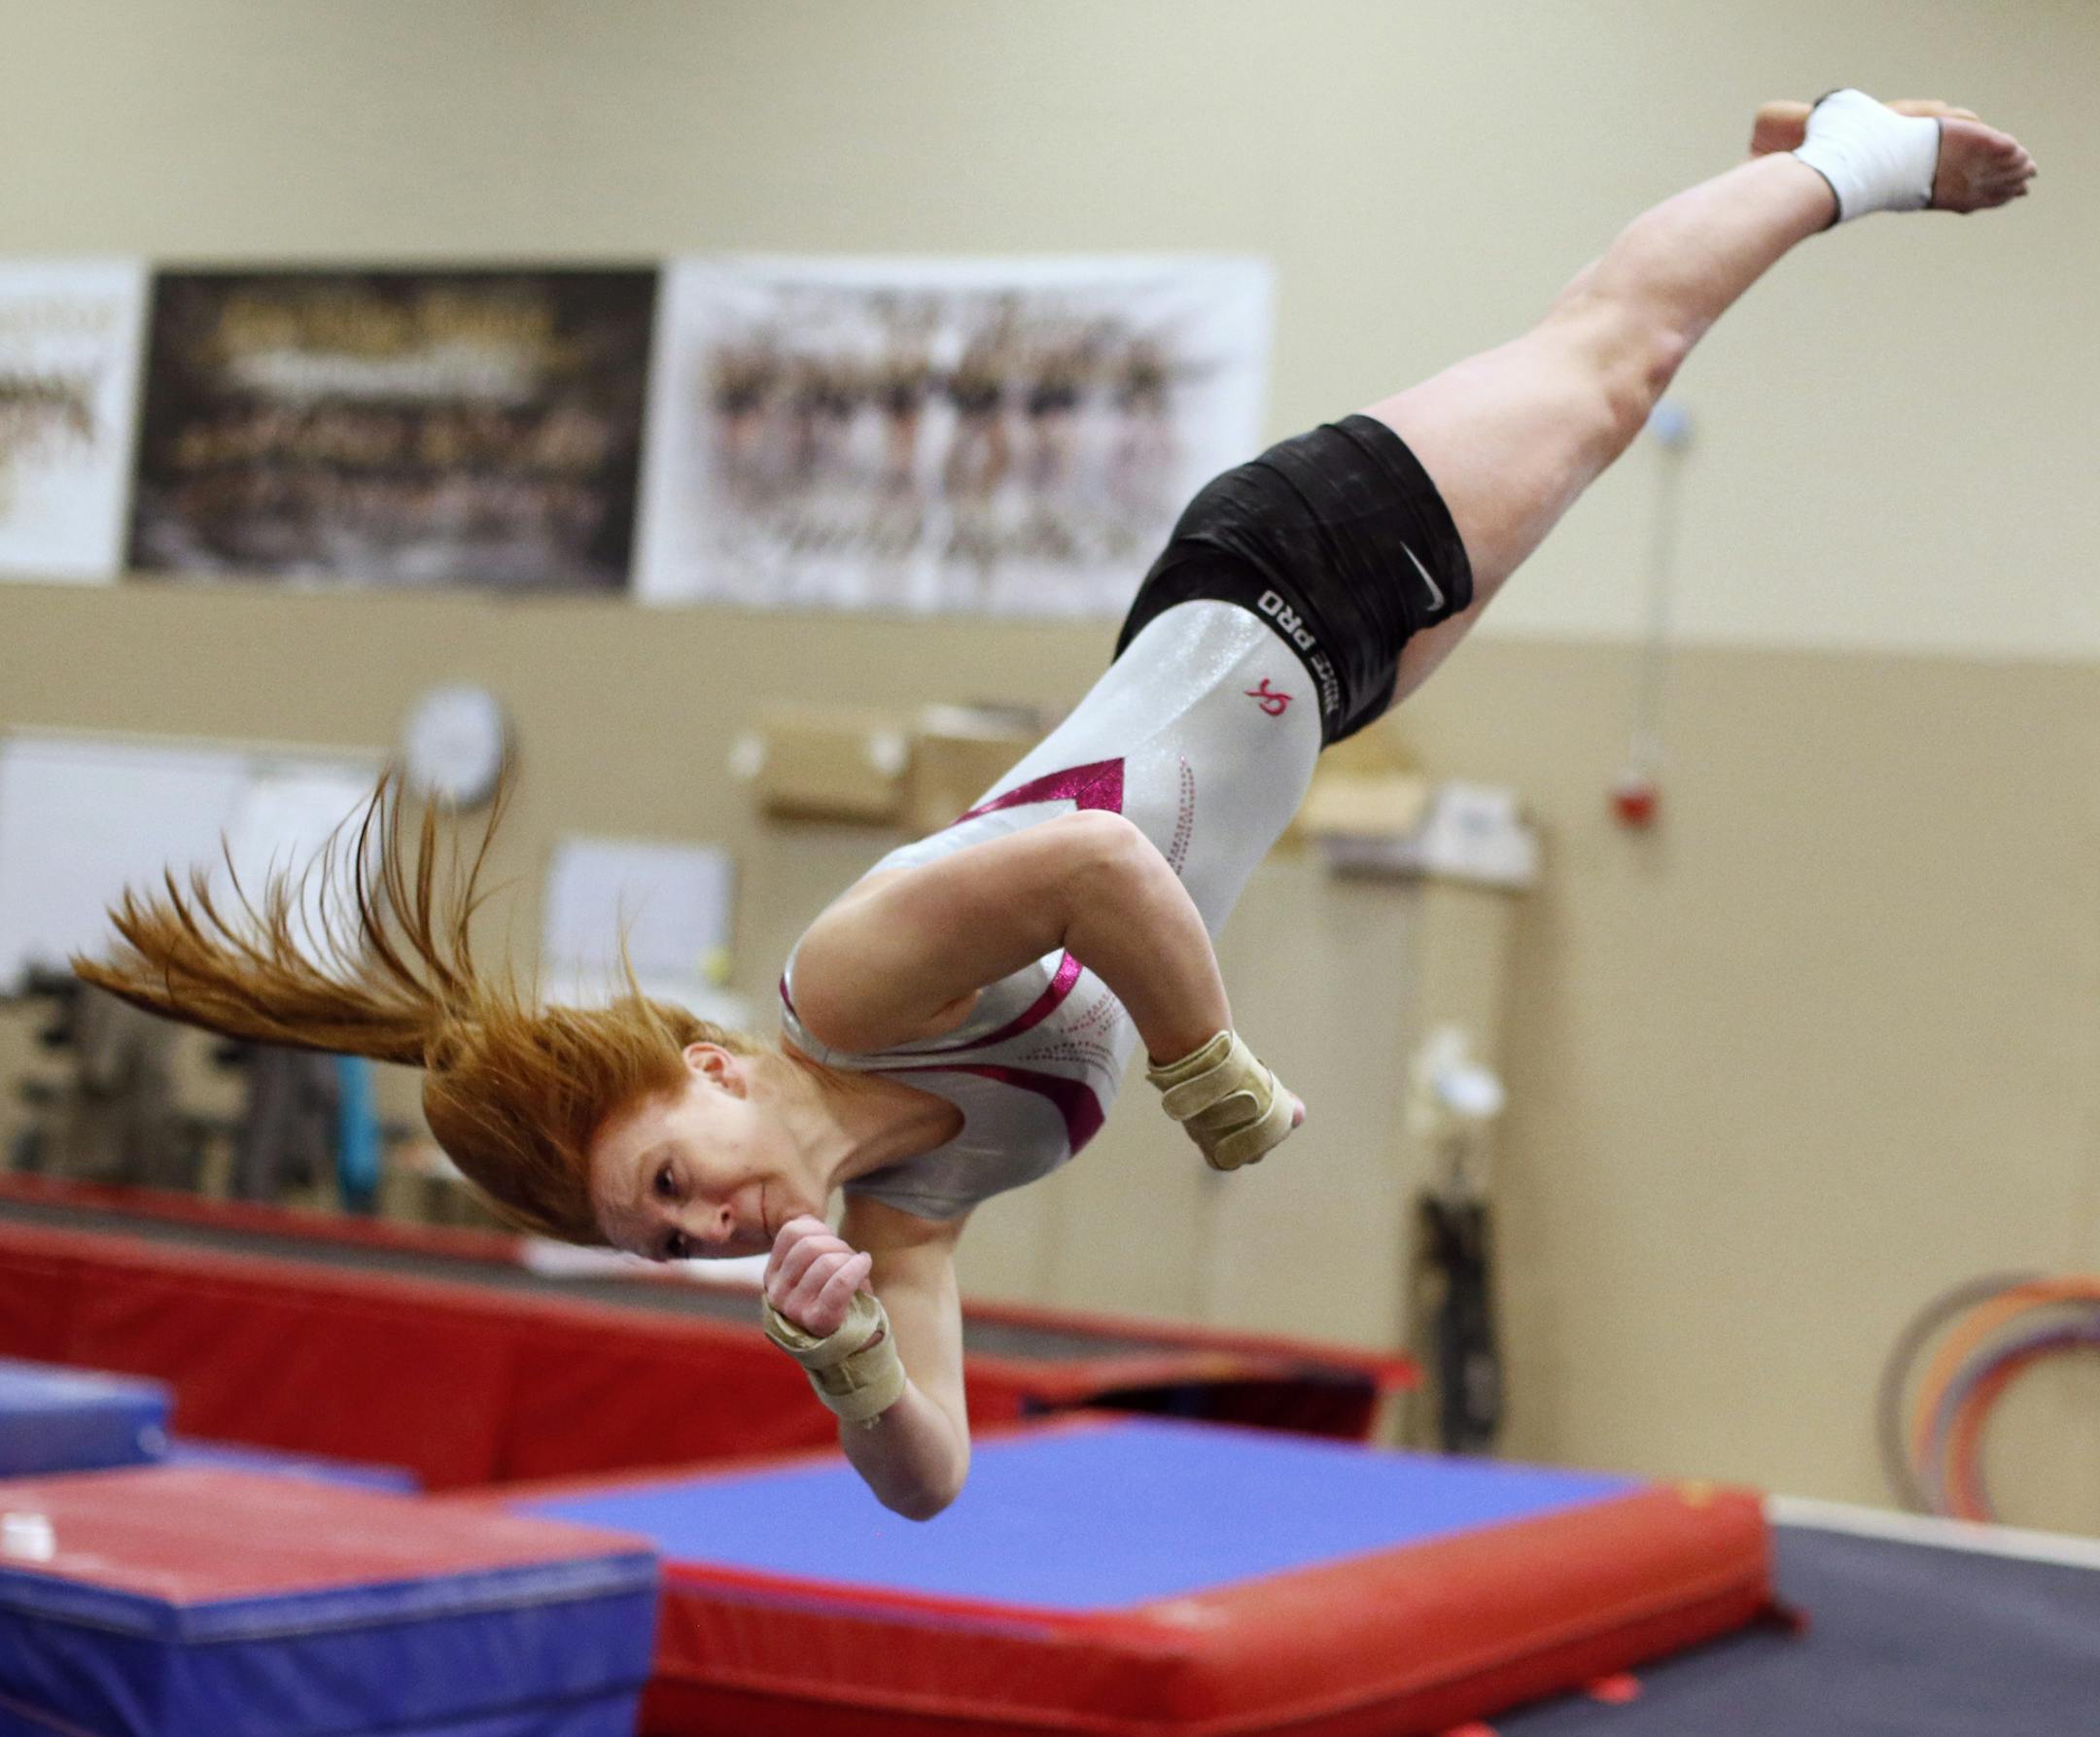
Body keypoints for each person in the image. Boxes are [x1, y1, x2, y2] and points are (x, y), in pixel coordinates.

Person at [77, 92, 2036, 1518]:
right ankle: (1786, 160)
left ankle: (1842, 155)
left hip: (1270, 585)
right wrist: (850, 1361)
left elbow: (1096, 863)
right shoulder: (912, 1208)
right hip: (1317, 683)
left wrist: (1205, 1069)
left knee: (1610, 374)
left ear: (706, 1065)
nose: (711, 1225)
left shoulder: (849, 983)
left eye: (671, 1179)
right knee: (1587, 387)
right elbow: (930, 1479)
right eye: (668, 1247)